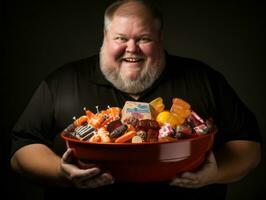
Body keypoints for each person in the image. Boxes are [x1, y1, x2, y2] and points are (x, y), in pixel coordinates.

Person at [10, 0, 262, 199]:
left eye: (144, 38)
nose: (132, 48)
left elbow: (249, 146)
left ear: (160, 38)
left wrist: (215, 174)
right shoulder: (63, 81)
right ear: (105, 36)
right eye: (121, 38)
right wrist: (61, 173)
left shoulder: (204, 79)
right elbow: (21, 147)